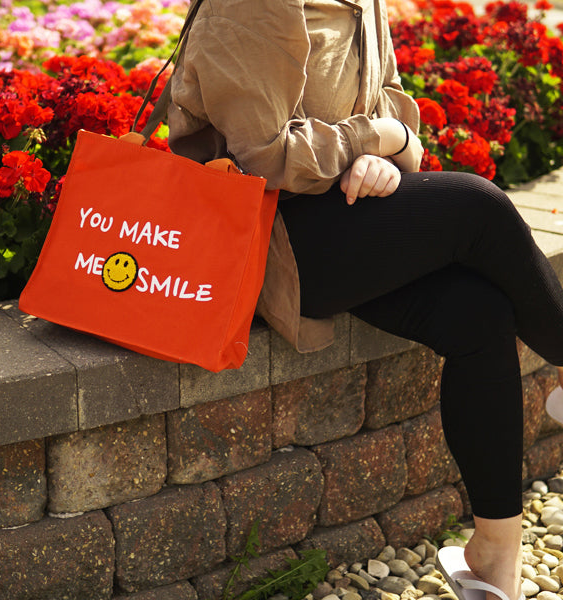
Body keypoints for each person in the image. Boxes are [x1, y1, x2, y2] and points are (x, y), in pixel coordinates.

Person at [123, 1, 563, 599]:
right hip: (269, 238)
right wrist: (374, 138)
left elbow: (390, 106)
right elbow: (262, 156)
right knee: (478, 206)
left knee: (477, 312)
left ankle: (495, 558)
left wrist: (386, 153)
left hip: (344, 218)